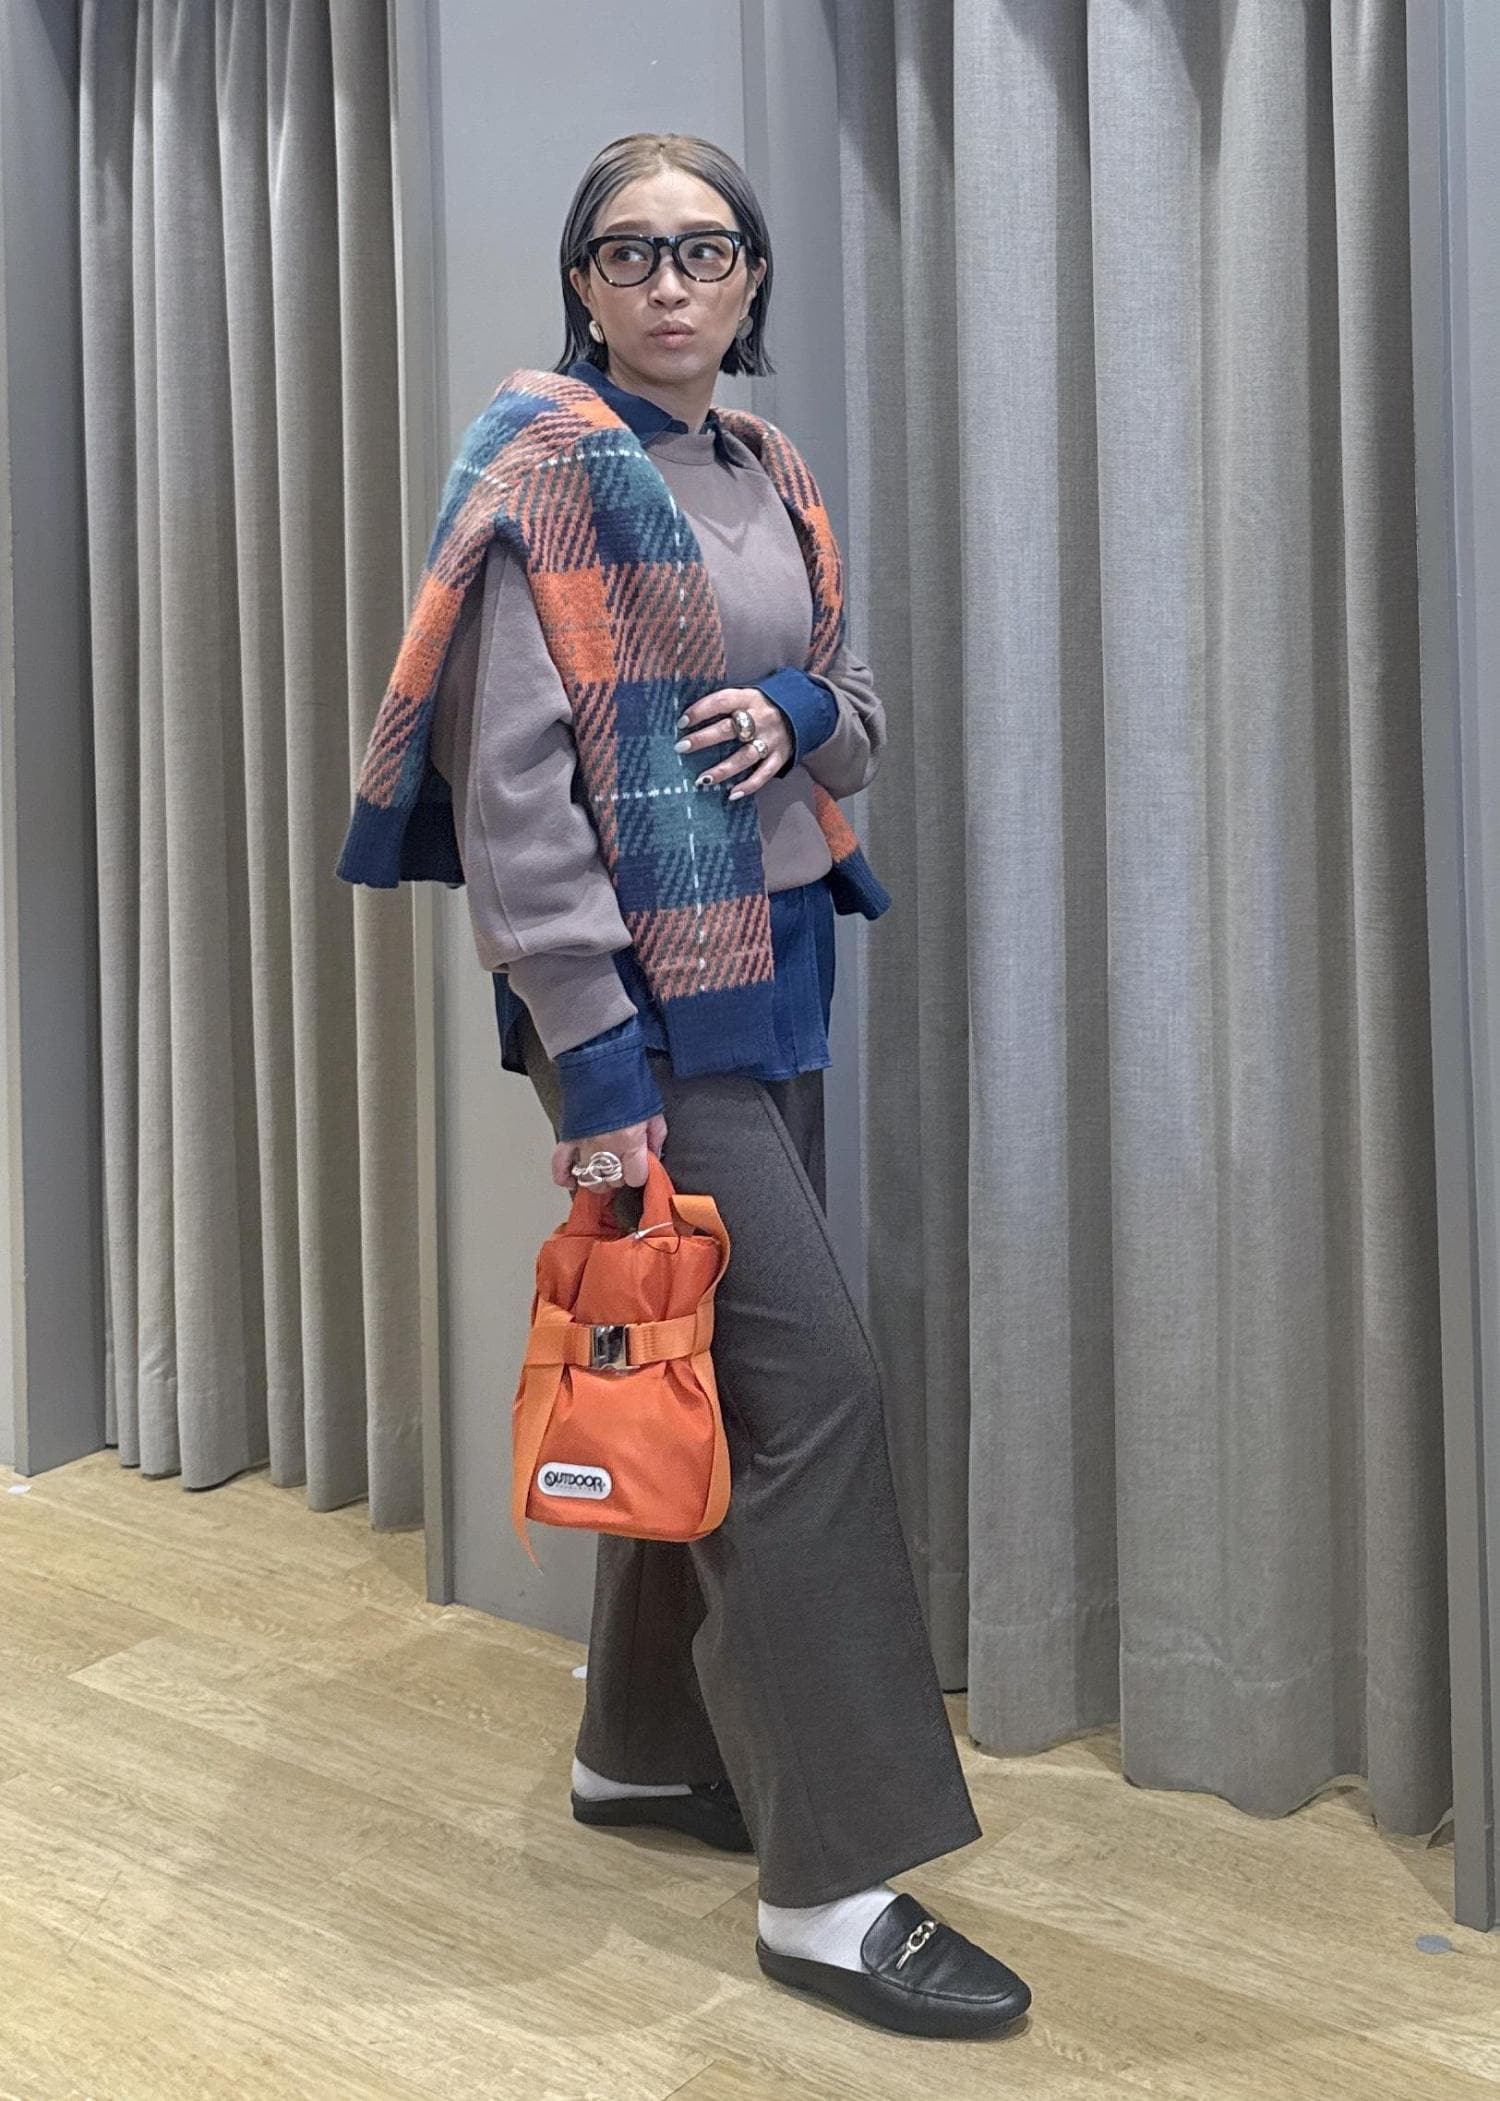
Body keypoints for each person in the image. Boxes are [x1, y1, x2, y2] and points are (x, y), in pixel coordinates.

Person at [338, 131, 1031, 2043]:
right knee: (814, 1401)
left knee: (701, 1362)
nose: (670, 281)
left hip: (777, 968)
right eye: (631, 251)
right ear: (583, 280)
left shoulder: (766, 468)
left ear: (749, 280)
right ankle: (833, 1888)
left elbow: (856, 711)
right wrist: (596, 1059)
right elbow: (509, 798)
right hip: (642, 1006)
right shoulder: (545, 474)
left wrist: (799, 711)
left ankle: (642, 1750)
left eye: (705, 249)